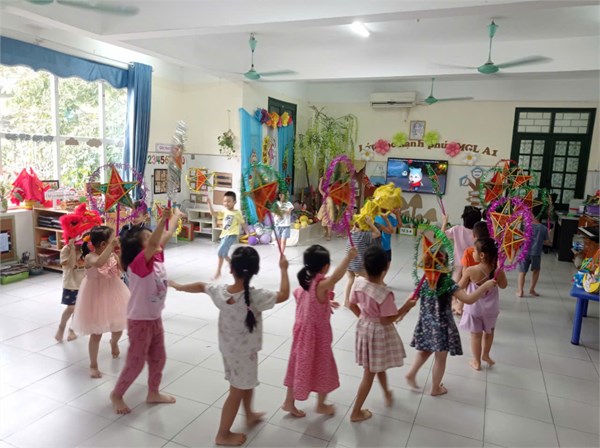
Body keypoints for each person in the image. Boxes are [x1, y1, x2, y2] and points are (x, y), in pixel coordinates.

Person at [169, 247, 290, 447]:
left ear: (231, 269)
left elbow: (201, 285)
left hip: (230, 350)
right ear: (255, 270)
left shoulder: (221, 292)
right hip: (244, 354)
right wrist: (284, 269)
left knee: (246, 383)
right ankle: (222, 434)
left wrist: (179, 286)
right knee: (236, 392)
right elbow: (284, 294)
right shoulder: (257, 296)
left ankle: (249, 414)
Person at [110, 207, 183, 415]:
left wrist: (176, 216)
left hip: (154, 318)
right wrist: (161, 220)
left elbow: (165, 235)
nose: (154, 240)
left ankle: (153, 392)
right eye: (148, 237)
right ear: (140, 248)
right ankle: (117, 394)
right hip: (140, 320)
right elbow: (154, 242)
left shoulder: (157, 258)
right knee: (136, 363)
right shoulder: (138, 264)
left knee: (159, 357)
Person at [282, 245, 358, 418]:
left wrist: (325, 303)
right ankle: (321, 405)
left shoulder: (306, 282)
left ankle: (288, 402)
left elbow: (306, 301)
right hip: (316, 337)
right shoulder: (320, 285)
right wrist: (348, 258)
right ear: (325, 266)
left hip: (302, 335)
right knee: (324, 367)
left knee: (298, 365)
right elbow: (336, 278)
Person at [405, 253, 497, 396]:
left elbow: (410, 299)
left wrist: (401, 313)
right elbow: (469, 299)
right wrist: (484, 286)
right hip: (442, 327)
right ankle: (435, 388)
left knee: (424, 350)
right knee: (440, 358)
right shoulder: (448, 283)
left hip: (426, 324)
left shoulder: (424, 282)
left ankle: (411, 374)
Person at [348, 246, 416, 422]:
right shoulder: (384, 294)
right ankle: (355, 412)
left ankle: (387, 392)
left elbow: (351, 304)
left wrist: (364, 318)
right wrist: (406, 307)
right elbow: (387, 320)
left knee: (377, 365)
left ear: (364, 265)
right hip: (377, 334)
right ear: (385, 268)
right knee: (369, 374)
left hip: (364, 328)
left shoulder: (358, 283)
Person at [71, 226, 129, 378]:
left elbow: (123, 270)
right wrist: (111, 247)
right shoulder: (90, 257)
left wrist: (119, 255)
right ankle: (93, 365)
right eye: (112, 239)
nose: (115, 240)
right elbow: (98, 263)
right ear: (104, 244)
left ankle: (114, 342)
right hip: (95, 297)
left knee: (118, 326)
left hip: (114, 292)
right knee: (96, 333)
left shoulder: (112, 255)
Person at [458, 238, 508, 371]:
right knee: (489, 332)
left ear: (481, 255)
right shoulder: (497, 271)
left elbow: (459, 287)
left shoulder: (471, 270)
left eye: (474, 251)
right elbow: (504, 286)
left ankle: (476, 361)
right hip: (491, 309)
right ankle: (486, 355)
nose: (472, 253)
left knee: (475, 336)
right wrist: (501, 271)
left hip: (474, 309)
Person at [441, 206, 482, 315]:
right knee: (466, 286)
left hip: (457, 262)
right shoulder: (478, 233)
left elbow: (441, 235)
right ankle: (460, 306)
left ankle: (453, 302)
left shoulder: (457, 229)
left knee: (454, 283)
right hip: (472, 265)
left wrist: (444, 222)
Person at [344, 217, 381, 307]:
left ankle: (346, 300)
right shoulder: (363, 235)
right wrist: (371, 224)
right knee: (370, 280)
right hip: (359, 265)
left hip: (349, 264)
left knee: (350, 280)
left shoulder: (351, 234)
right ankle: (372, 300)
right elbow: (378, 233)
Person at [55, 237, 86, 342]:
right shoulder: (66, 250)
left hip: (83, 283)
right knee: (71, 308)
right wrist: (72, 248)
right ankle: (61, 327)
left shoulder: (85, 248)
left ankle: (72, 330)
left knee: (78, 309)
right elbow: (71, 265)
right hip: (71, 284)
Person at [208, 191, 245, 280]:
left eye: (229, 201)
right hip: (224, 235)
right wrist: (209, 204)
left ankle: (218, 272)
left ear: (234, 202)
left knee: (220, 252)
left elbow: (243, 223)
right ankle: (234, 266)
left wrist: (249, 233)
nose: (226, 203)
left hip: (231, 235)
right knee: (224, 254)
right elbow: (213, 213)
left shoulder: (237, 213)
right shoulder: (224, 211)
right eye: (224, 201)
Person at [517, 210, 550, 297]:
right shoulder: (543, 228)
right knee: (536, 271)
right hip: (536, 253)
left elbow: (519, 238)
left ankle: (520, 291)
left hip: (524, 252)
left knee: (522, 272)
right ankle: (531, 290)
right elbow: (547, 242)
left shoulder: (525, 226)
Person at [374, 209, 399, 281]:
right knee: (379, 263)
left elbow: (396, 227)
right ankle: (378, 280)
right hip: (378, 246)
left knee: (387, 263)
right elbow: (391, 231)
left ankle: (380, 280)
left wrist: (397, 215)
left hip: (385, 245)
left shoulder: (390, 218)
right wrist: (386, 220)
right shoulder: (376, 218)